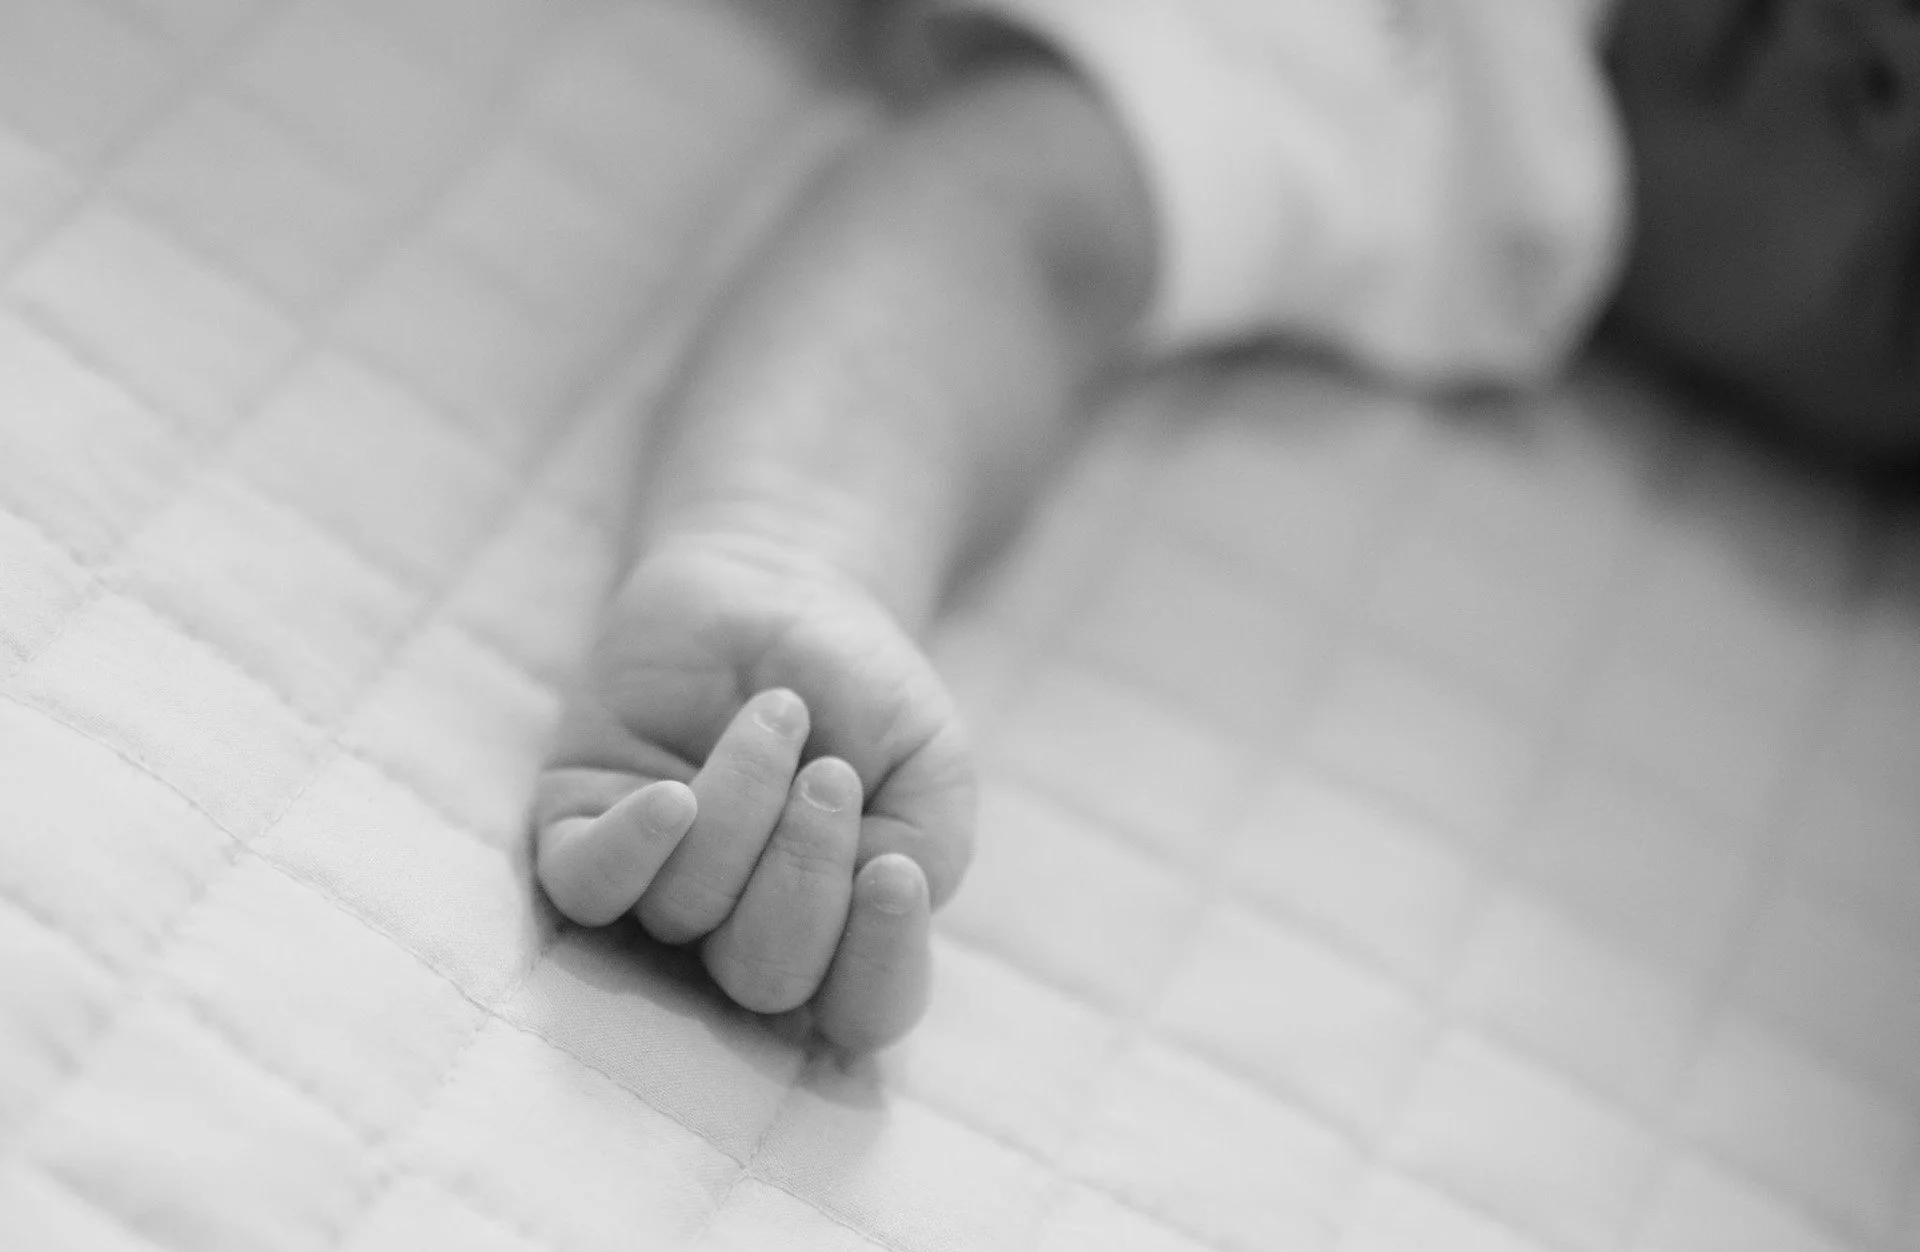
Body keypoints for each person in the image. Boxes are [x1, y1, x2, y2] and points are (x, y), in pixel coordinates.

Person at [530, 0, 1920, 1052]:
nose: (1890, 80)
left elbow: (1013, 229)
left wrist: (788, 545)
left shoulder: (1454, 131)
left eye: (1904, 256)